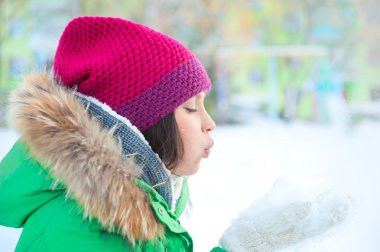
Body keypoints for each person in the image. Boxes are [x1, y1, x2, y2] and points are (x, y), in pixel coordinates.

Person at [0, 16, 217, 251]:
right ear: (138, 124)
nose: (210, 123)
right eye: (191, 108)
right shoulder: (80, 233)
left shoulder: (118, 219)